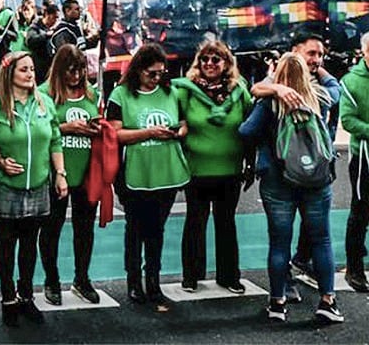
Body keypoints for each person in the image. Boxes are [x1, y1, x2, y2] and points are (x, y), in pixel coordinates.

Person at [241, 52, 343, 324]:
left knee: (279, 243)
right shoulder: (321, 97)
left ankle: (277, 302)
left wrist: (271, 81)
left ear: (279, 74)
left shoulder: (269, 102)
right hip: (317, 180)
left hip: (278, 181)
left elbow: (246, 131)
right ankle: (327, 301)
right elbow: (336, 86)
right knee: (321, 240)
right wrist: (320, 69)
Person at [106, 42, 189, 313]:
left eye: (161, 73)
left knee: (157, 228)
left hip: (166, 169)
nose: (157, 78)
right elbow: (115, 134)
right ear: (138, 70)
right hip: (134, 171)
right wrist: (150, 133)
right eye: (151, 73)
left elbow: (185, 123)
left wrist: (178, 131)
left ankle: (153, 279)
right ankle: (134, 281)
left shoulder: (171, 92)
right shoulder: (120, 95)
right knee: (136, 227)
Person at [0, 51, 66, 327]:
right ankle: (8, 298)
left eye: (32, 69)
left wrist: (60, 174)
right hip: (8, 186)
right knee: (7, 243)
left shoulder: (44, 104)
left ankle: (26, 296)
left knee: (30, 244)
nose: (30, 74)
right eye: (23, 69)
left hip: (39, 184)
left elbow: (55, 139)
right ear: (10, 74)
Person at [172, 40, 251, 295]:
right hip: (196, 169)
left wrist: (252, 162)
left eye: (216, 59)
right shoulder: (184, 90)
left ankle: (229, 276)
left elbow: (251, 125)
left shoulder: (240, 90)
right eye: (204, 59)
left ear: (226, 63)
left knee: (226, 223)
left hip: (230, 169)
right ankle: (191, 276)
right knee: (195, 222)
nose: (209, 64)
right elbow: (172, 115)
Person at [37, 44, 102, 306]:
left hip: (87, 170)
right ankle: (51, 280)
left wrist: (96, 128)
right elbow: (39, 129)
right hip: (56, 171)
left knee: (84, 228)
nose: (75, 76)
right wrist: (67, 128)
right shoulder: (44, 93)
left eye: (80, 70)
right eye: (70, 70)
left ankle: (82, 278)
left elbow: (99, 123)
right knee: (51, 228)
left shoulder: (90, 93)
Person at [340, 31, 369, 292]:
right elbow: (348, 120)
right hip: (364, 159)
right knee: (360, 212)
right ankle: (354, 269)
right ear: (364, 52)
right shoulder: (351, 81)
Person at [25, 0, 61, 83]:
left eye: (57, 18)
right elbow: (30, 41)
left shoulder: (55, 29)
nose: (56, 20)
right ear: (47, 15)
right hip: (38, 65)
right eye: (54, 17)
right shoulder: (35, 26)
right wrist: (46, 35)